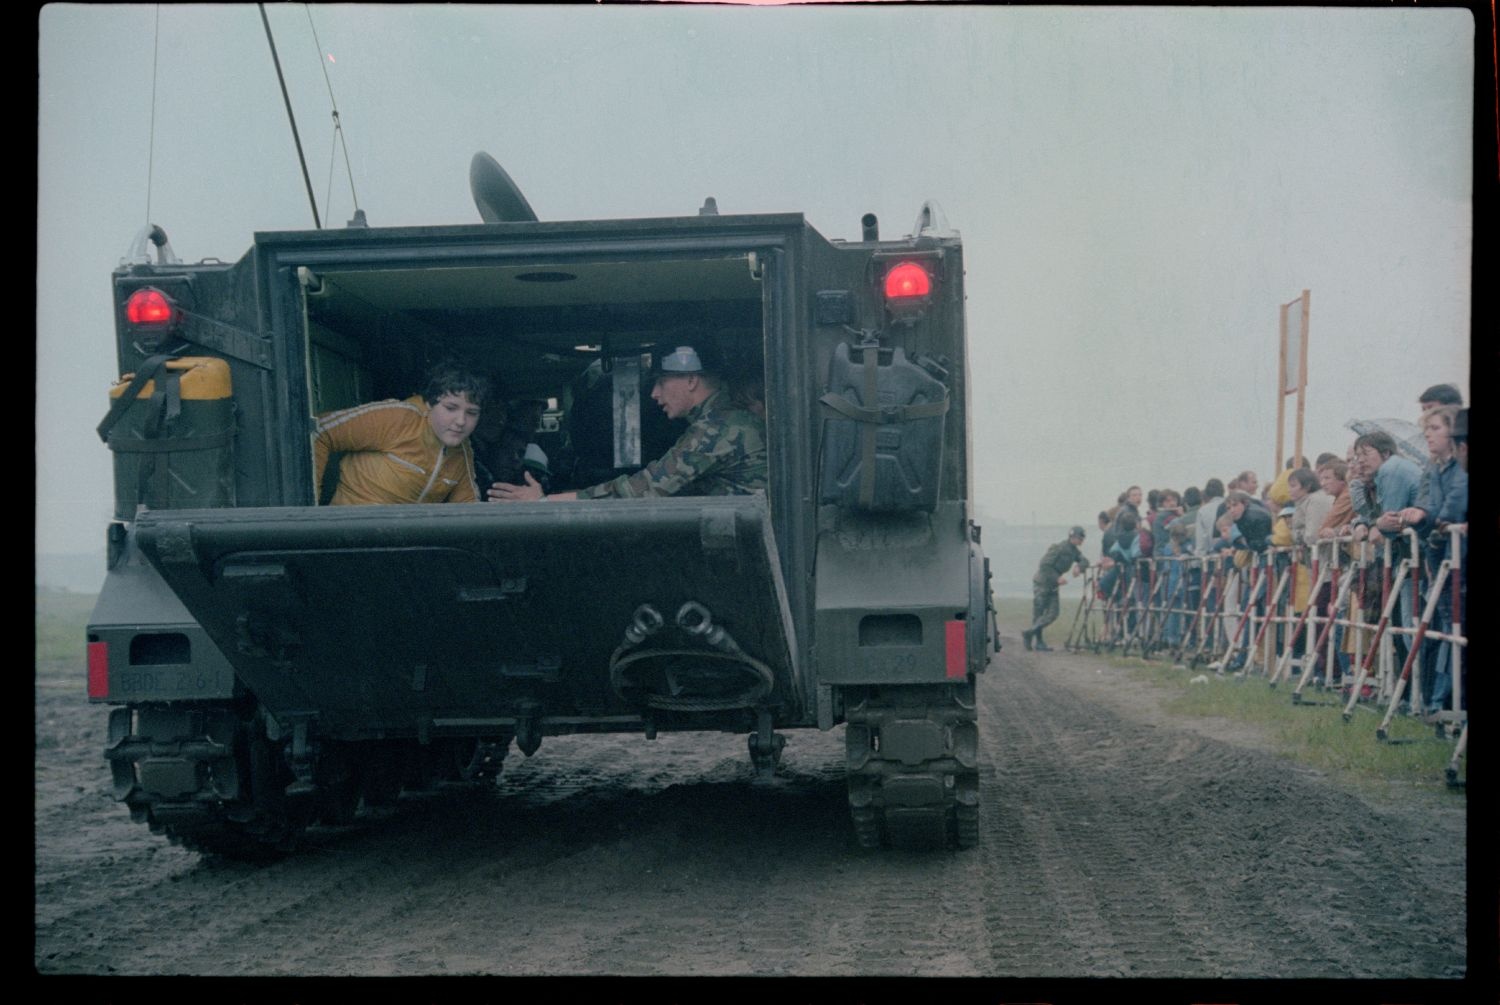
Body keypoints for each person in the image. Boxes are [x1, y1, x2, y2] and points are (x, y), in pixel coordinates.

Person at [490, 343, 767, 501]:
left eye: (661, 382)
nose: (654, 393)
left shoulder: (716, 428)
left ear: (691, 380)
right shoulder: (723, 420)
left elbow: (645, 489)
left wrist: (546, 502)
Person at [312, 360, 487, 506]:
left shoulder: (462, 451)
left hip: (405, 543)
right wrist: (309, 510)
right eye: (450, 408)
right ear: (428, 404)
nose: (461, 421)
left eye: (472, 413)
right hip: (349, 536)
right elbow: (319, 431)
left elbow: (467, 507)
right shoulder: (398, 418)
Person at [1023, 526, 1089, 651]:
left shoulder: (1074, 551)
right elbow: (1044, 565)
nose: (1082, 541)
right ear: (1073, 537)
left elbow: (1085, 561)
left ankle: (1029, 633)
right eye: (1080, 538)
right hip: (1042, 583)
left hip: (1052, 586)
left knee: (1053, 613)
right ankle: (1038, 642)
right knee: (1039, 613)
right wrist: (1056, 578)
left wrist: (1079, 567)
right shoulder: (1058, 548)